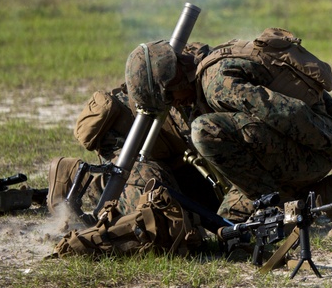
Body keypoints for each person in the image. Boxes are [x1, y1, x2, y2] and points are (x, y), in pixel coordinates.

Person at [124, 28, 332, 238]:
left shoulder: (216, 85)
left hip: (314, 152)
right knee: (228, 228)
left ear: (175, 79)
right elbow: (305, 92)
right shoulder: (208, 64)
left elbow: (287, 111)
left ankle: (276, 205)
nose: (173, 105)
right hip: (307, 148)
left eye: (169, 97)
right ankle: (330, 193)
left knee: (206, 131)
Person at [47, 43, 223, 218]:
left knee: (208, 207)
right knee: (162, 215)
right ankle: (73, 176)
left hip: (171, 151)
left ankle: (100, 185)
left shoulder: (214, 71)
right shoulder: (188, 82)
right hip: (127, 139)